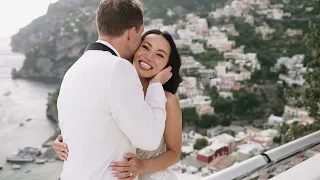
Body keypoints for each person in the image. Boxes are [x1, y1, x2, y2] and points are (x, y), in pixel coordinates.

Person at [56, 0, 173, 179]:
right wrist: (156, 85)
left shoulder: (73, 70)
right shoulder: (119, 68)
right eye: (141, 33)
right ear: (131, 32)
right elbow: (149, 140)